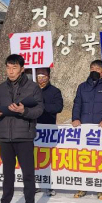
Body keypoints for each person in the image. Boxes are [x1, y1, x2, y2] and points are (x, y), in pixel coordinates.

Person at [0, 54, 44, 203]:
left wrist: (23, 111)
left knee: (28, 174)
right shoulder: (1, 87)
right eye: (8, 67)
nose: (10, 71)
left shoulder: (33, 87)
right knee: (7, 173)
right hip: (5, 135)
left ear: (22, 69)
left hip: (24, 136)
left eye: (14, 68)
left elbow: (39, 110)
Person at [71, 59, 102, 200]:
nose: (94, 71)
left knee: (100, 158)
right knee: (84, 157)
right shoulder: (82, 87)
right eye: (92, 68)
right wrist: (75, 118)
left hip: (101, 128)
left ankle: (101, 188)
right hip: (84, 127)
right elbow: (77, 103)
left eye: (97, 69)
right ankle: (82, 186)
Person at [35, 68, 64, 196]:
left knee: (48, 158)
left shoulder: (55, 91)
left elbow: (58, 107)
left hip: (48, 128)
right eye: (38, 76)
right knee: (35, 157)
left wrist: (43, 108)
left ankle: (50, 184)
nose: (41, 78)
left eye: (43, 76)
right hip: (33, 127)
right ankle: (36, 183)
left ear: (48, 77)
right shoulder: (32, 90)